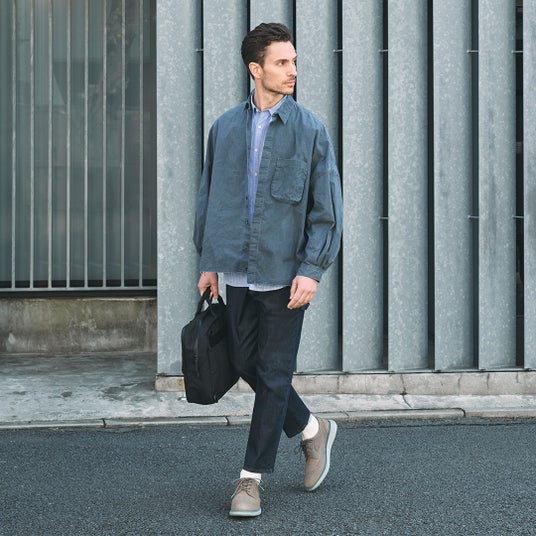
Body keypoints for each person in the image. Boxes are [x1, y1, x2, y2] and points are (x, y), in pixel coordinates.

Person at [193, 22, 343, 517]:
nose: (292, 70)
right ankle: (313, 429)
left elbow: (326, 209)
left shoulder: (310, 130)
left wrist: (312, 269)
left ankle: (250, 479)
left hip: (285, 276)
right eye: (282, 62)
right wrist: (209, 261)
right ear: (255, 68)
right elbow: (210, 197)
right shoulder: (224, 129)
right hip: (236, 271)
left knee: (274, 372)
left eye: (294, 61)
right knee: (244, 364)